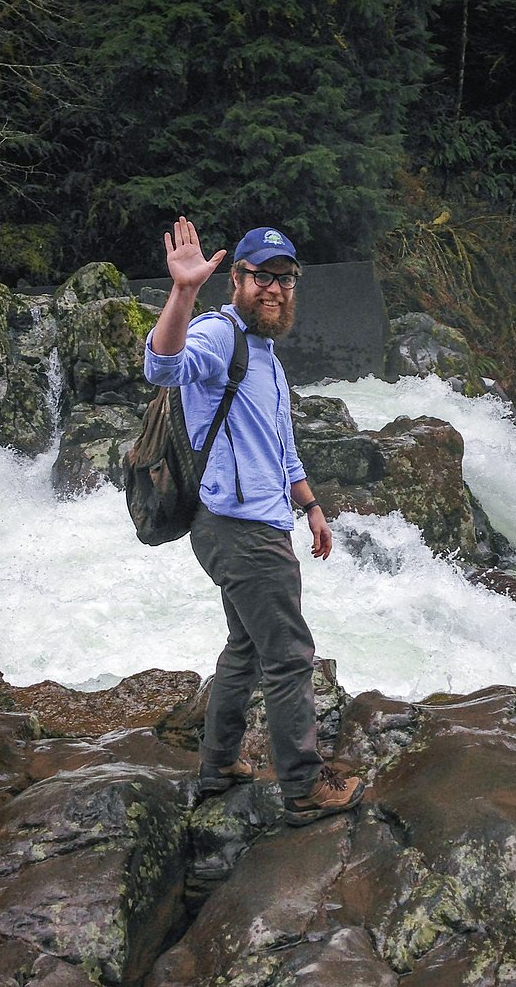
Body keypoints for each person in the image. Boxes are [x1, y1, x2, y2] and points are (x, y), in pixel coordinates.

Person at [144, 215, 364, 826]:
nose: (274, 288)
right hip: (237, 528)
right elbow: (162, 367)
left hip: (260, 522)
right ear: (237, 279)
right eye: (261, 276)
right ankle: (303, 787)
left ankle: (218, 764)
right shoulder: (218, 334)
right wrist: (183, 291)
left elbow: (281, 446)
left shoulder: (268, 357)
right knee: (290, 657)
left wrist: (311, 506)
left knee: (244, 648)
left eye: (285, 279)